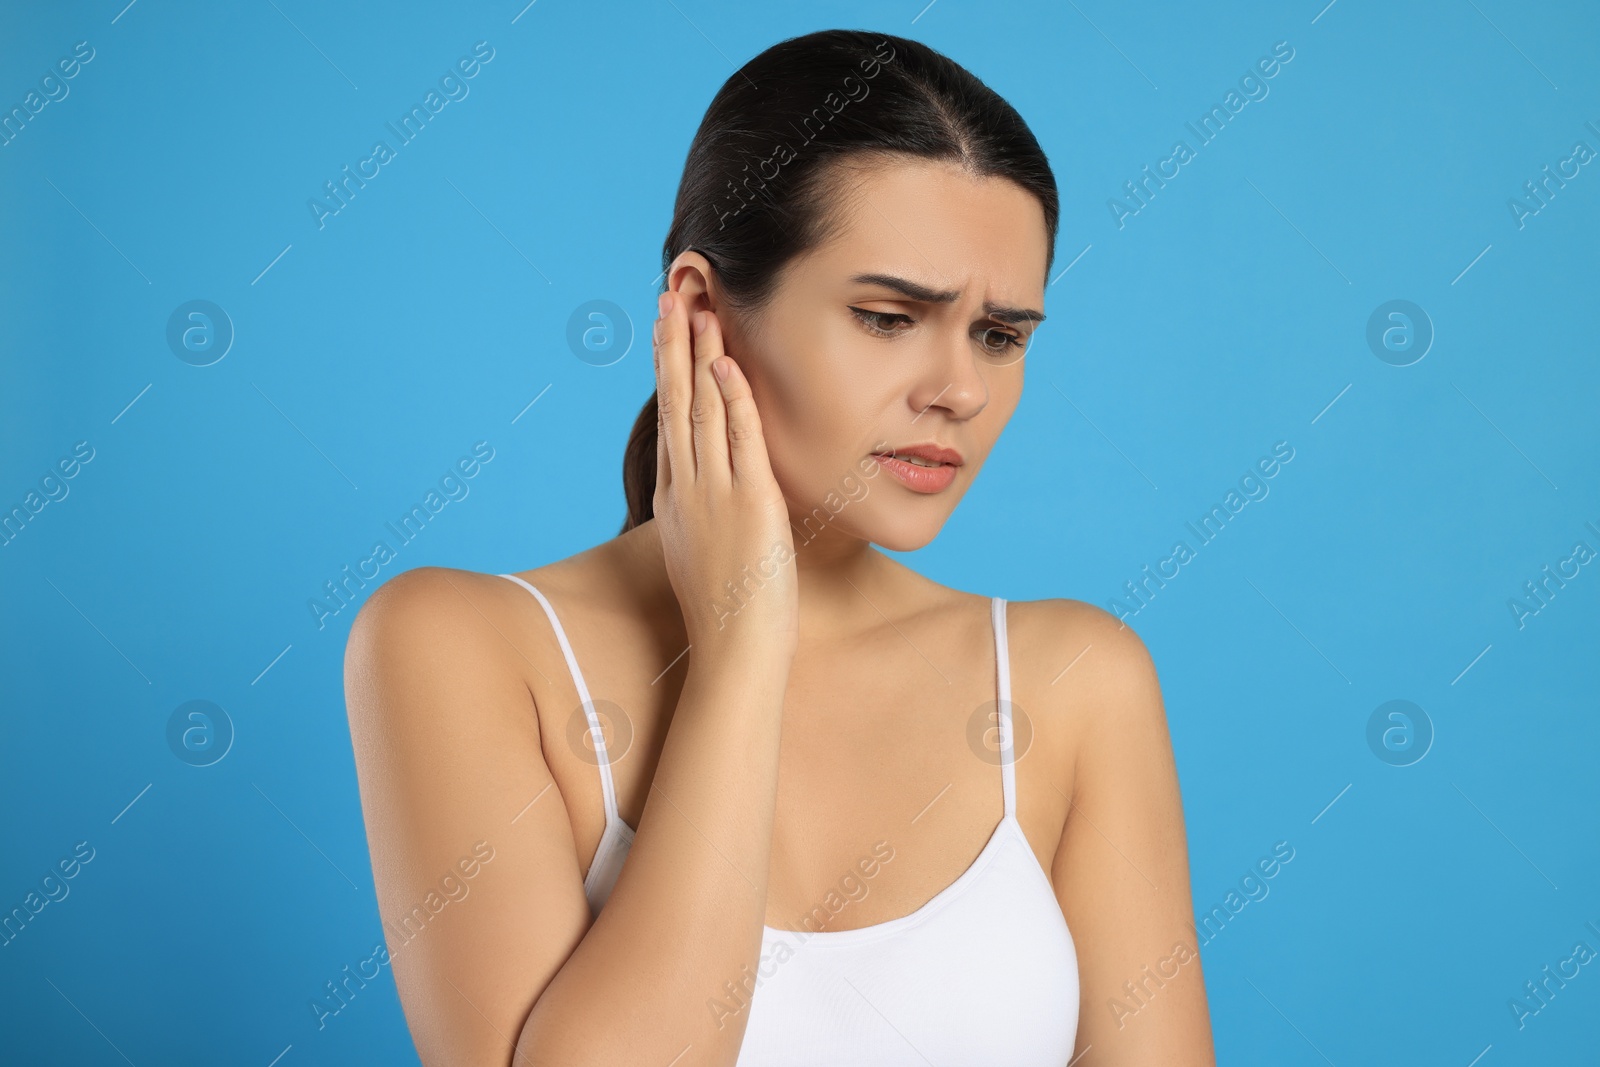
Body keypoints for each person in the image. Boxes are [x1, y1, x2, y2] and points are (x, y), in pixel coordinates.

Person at [343, 28, 1214, 1067]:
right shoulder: (463, 647)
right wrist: (743, 641)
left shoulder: (1076, 683)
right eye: (889, 316)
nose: (962, 389)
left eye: (1000, 334)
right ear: (704, 312)